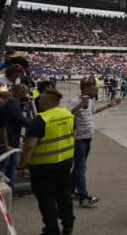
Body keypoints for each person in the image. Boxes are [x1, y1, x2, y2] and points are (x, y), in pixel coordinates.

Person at [16, 88, 75, 235]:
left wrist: (21, 167)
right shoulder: (68, 114)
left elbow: (29, 147)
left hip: (43, 167)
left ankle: (51, 229)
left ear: (47, 101)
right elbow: (72, 134)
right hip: (65, 163)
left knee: (46, 200)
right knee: (64, 195)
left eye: (40, 99)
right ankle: (68, 224)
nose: (39, 101)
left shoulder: (40, 120)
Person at [67, 79, 121, 207]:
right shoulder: (74, 101)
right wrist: (79, 105)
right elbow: (67, 114)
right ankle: (83, 197)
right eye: (93, 89)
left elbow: (93, 111)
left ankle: (69, 191)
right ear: (85, 89)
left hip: (87, 138)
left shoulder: (90, 101)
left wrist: (109, 105)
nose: (96, 90)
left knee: (79, 166)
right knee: (81, 168)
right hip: (79, 139)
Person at [0, 83, 31, 192]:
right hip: (11, 137)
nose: (27, 95)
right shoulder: (12, 102)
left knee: (10, 163)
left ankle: (9, 189)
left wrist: (23, 102)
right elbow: (19, 119)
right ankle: (10, 190)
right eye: (25, 93)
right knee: (11, 164)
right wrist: (33, 123)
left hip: (10, 136)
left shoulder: (14, 100)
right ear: (20, 92)